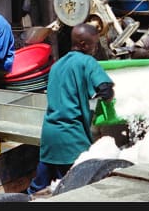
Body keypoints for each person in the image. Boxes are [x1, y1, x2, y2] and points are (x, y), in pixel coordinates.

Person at [25, 23, 115, 198]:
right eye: (94, 45)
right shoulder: (87, 61)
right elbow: (105, 89)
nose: (95, 49)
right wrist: (108, 98)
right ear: (83, 44)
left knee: (37, 189)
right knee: (73, 192)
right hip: (72, 138)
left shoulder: (57, 65)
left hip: (50, 137)